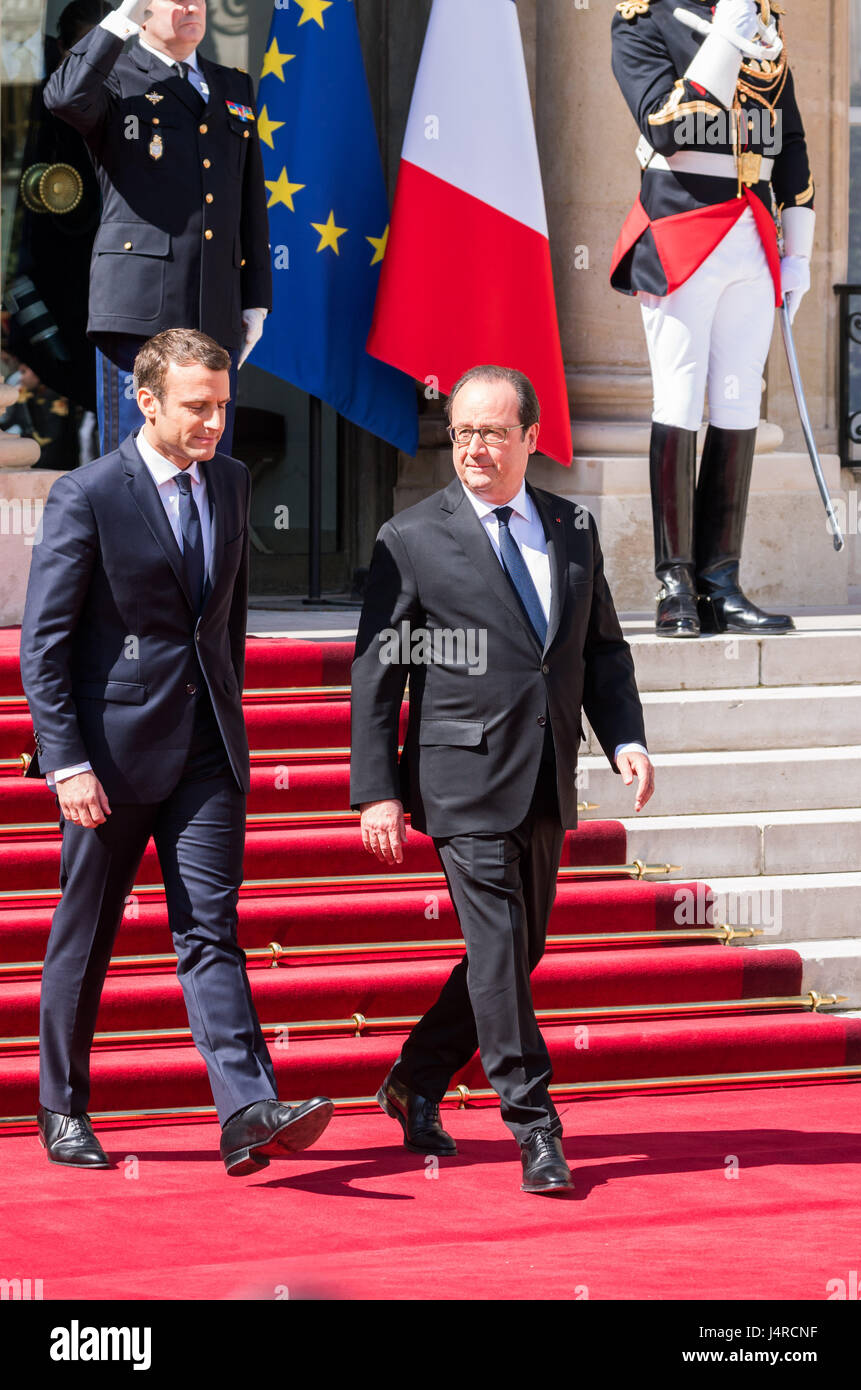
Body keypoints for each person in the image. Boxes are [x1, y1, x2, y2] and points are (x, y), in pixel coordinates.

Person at [20, 328, 333, 1176]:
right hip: (110, 761)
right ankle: (61, 1105)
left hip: (205, 752)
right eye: (197, 407)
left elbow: (221, 625)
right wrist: (67, 762)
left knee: (210, 930)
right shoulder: (86, 494)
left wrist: (229, 719)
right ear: (145, 400)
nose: (214, 425)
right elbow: (42, 648)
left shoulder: (228, 484)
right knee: (86, 935)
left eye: (223, 407)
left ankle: (245, 1111)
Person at [349, 365, 654, 1194]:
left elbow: (600, 651)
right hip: (460, 778)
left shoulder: (572, 526)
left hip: (546, 775)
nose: (473, 449)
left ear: (529, 436)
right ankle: (534, 1124)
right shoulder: (409, 537)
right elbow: (378, 675)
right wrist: (377, 789)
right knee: (494, 948)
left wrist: (623, 736)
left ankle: (415, 1075)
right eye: (460, 434)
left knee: (517, 953)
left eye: (489, 432)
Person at [610, 0, 815, 636]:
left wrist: (800, 252)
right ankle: (674, 584)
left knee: (737, 404)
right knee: (677, 396)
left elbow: (791, 138)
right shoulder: (638, 20)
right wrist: (725, 37)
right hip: (682, 228)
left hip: (753, 235)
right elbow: (669, 125)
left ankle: (720, 581)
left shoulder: (763, 20)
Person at [43, 0, 271, 454]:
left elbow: (248, 197)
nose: (192, 7)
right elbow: (64, 97)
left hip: (214, 307)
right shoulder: (115, 75)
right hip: (141, 310)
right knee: (138, 467)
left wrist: (256, 300)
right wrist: (120, 19)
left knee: (209, 462)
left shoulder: (232, 84)